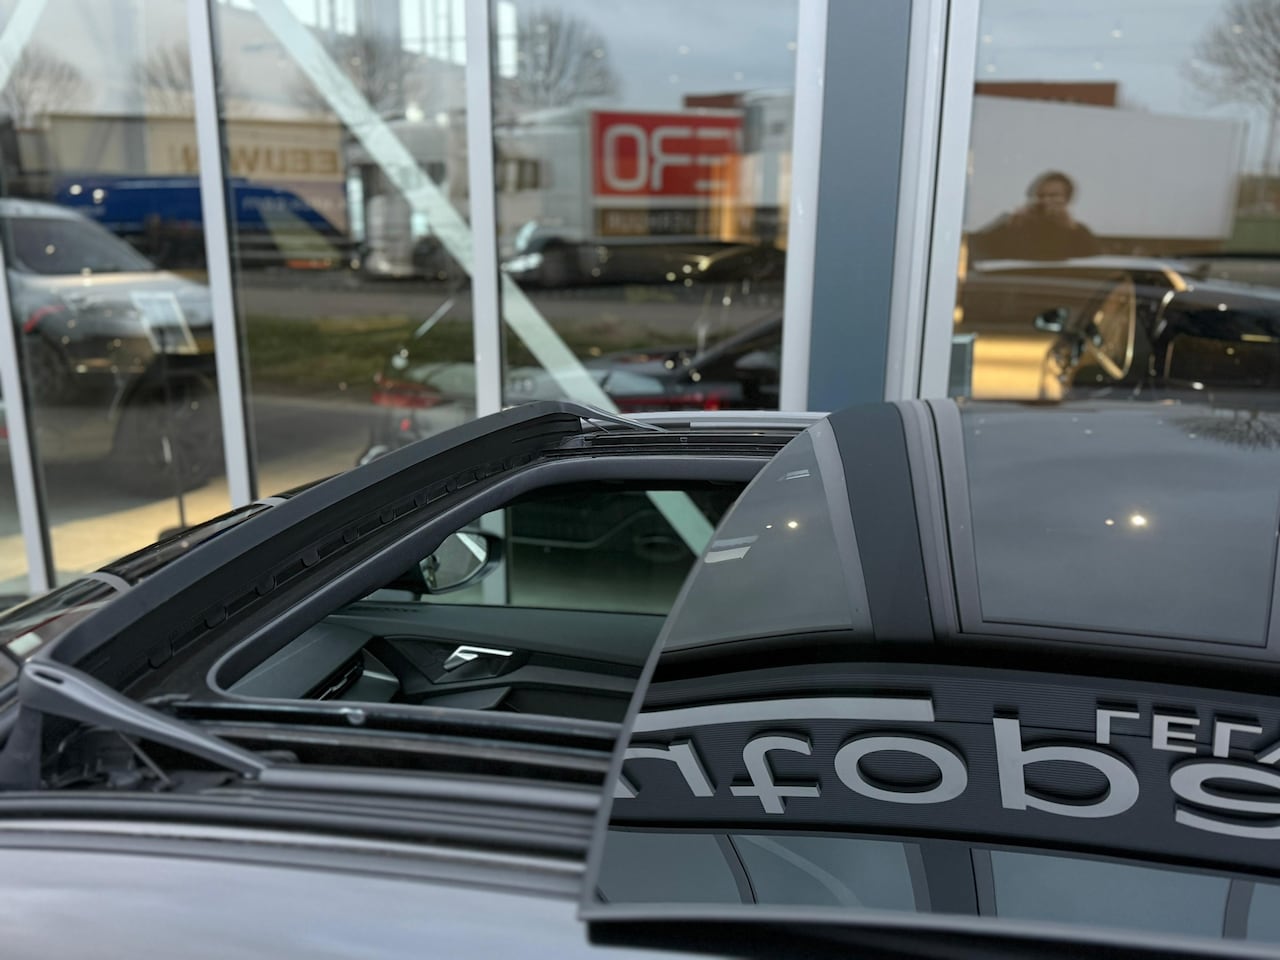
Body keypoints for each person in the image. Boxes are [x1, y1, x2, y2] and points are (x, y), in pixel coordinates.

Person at [968, 171, 1100, 262]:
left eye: (1053, 196)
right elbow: (975, 248)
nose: (1046, 201)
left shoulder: (1077, 231)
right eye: (1041, 196)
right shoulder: (1014, 224)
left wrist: (1071, 228)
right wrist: (1010, 225)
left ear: (1067, 200)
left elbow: (1094, 260)